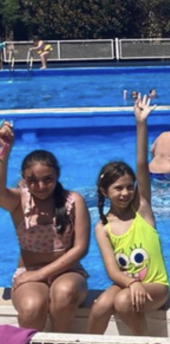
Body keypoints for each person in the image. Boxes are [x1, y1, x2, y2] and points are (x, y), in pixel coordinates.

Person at [88, 96, 170, 336]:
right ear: (105, 191)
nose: (125, 193)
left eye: (128, 187)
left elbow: (142, 164)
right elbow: (113, 271)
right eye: (118, 188)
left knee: (123, 302)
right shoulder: (103, 227)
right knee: (100, 306)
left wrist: (141, 123)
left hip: (156, 286)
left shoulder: (141, 211)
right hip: (127, 284)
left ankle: (144, 341)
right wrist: (132, 282)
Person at [0, 122, 90, 332]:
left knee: (64, 292)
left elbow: (80, 249)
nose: (40, 187)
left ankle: (60, 338)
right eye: (33, 181)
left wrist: (41, 275)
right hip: (28, 270)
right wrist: (4, 150)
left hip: (68, 271)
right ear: (24, 178)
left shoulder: (73, 201)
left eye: (47, 180)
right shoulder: (19, 202)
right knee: (32, 307)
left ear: (57, 175)